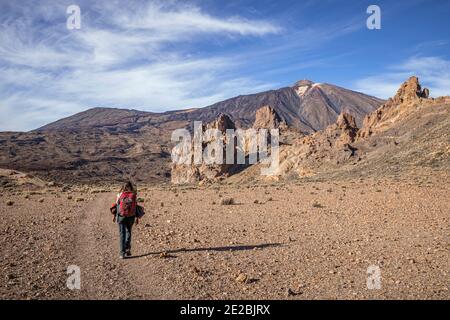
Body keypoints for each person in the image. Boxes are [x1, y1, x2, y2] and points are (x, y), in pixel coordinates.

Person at [115, 181, 139, 259]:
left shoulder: (120, 194)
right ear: (131, 186)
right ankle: (127, 248)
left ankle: (122, 253)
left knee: (122, 234)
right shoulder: (134, 195)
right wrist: (137, 217)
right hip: (131, 216)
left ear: (123, 187)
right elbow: (135, 206)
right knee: (129, 231)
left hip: (121, 216)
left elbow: (116, 205)